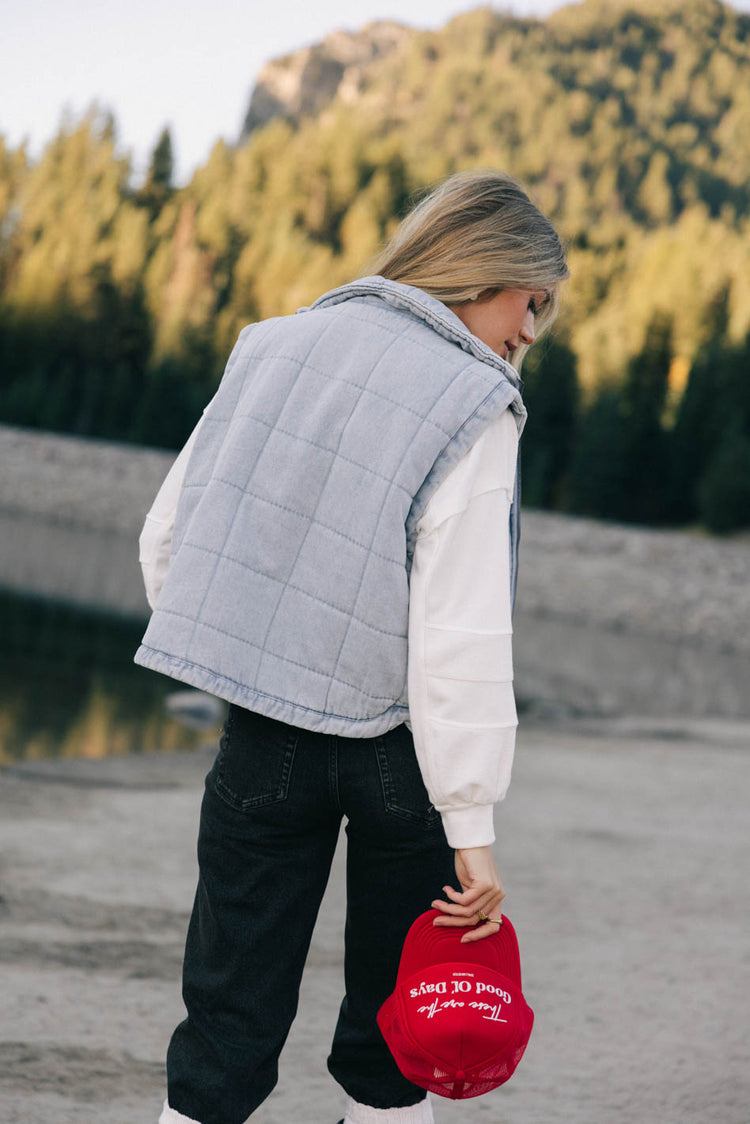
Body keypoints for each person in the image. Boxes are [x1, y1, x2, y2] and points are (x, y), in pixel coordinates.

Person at [135, 169, 568, 1124]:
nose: (530, 332)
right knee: (395, 1042)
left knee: (223, 1027)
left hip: (262, 737)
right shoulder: (475, 399)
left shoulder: (272, 345)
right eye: (531, 301)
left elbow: (169, 540)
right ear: (482, 271)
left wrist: (250, 662)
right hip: (400, 760)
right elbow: (459, 630)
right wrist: (473, 829)